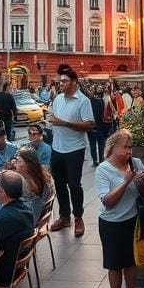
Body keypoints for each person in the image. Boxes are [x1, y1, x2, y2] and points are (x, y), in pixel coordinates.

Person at [95, 129, 144, 288]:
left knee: (130, 263)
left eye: (131, 147)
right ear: (113, 148)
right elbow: (107, 201)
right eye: (126, 147)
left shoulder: (136, 163)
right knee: (114, 266)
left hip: (133, 221)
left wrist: (141, 184)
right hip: (111, 224)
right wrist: (126, 181)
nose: (130, 151)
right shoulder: (103, 169)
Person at [47, 66, 95, 237]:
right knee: (59, 184)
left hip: (75, 149)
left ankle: (78, 217)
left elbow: (90, 124)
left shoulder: (83, 101)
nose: (61, 84)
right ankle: (64, 216)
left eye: (65, 81)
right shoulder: (58, 99)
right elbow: (53, 118)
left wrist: (65, 123)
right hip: (57, 147)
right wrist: (50, 121)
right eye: (60, 81)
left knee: (74, 185)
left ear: (74, 82)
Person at [14, 148, 55, 225]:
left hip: (30, 218)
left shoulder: (28, 182)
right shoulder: (42, 174)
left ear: (27, 165)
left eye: (18, 161)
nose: (15, 163)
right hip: (38, 213)